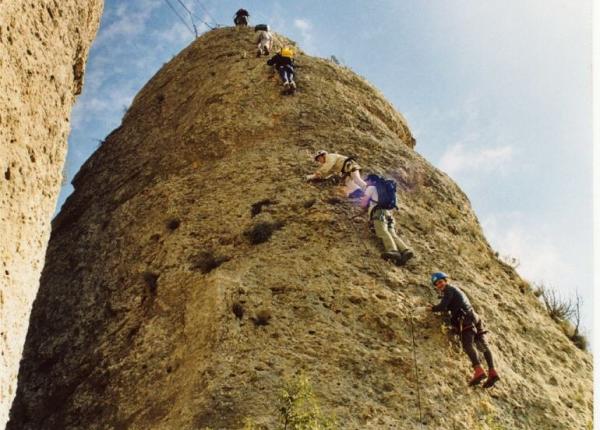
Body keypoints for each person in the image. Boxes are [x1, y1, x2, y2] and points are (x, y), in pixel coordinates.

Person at [429, 272, 500, 388]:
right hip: (474, 317)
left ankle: (479, 370)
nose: (439, 285)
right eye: (437, 284)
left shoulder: (449, 289)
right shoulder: (455, 290)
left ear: (446, 281)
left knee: (468, 345)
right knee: (482, 345)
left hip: (466, 318)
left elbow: (442, 306)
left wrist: (432, 308)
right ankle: (492, 372)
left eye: (440, 282)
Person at [359, 174, 414, 265]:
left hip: (378, 213)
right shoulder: (384, 189)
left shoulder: (371, 188)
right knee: (392, 233)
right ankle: (405, 250)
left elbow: (363, 203)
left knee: (383, 232)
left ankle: (393, 250)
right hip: (388, 214)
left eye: (367, 180)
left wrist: (363, 203)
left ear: (371, 180)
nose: (366, 182)